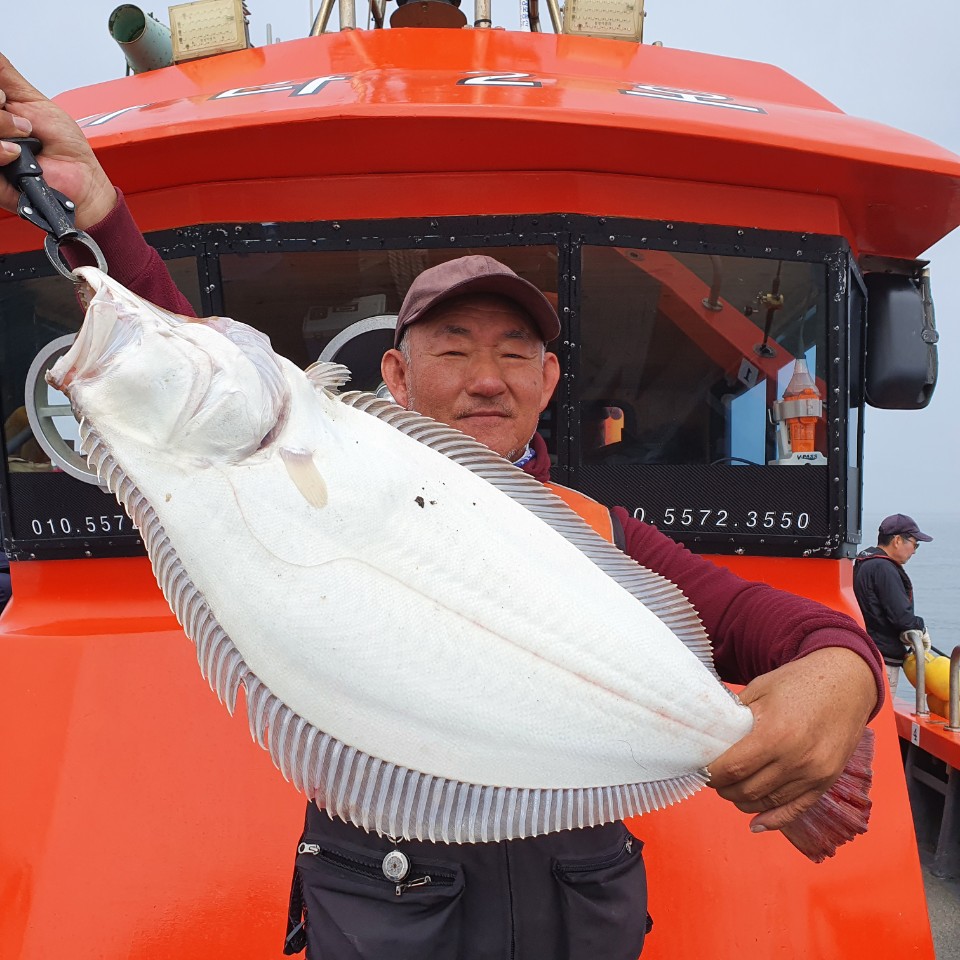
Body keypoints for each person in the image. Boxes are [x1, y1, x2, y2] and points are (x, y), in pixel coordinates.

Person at [0, 55, 884, 960]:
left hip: (578, 915)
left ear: (549, 383)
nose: (486, 378)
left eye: (514, 353)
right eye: (452, 347)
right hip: (388, 907)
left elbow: (778, 627)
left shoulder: (595, 532)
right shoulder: (330, 452)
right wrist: (94, 213)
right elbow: (207, 386)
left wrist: (847, 676)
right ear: (394, 373)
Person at [854, 514, 933, 692]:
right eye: (915, 544)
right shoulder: (883, 568)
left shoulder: (864, 562)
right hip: (883, 661)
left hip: (869, 653)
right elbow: (902, 617)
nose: (914, 551)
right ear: (897, 540)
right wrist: (921, 628)